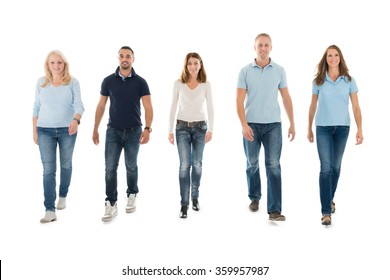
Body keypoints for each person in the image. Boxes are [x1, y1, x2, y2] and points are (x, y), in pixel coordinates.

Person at [236, 33, 295, 221]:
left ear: (271, 47)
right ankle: (254, 197)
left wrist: (292, 122)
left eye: (266, 45)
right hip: (251, 125)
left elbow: (286, 97)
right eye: (260, 45)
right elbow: (239, 100)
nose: (263, 48)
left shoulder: (279, 70)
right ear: (254, 47)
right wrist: (244, 124)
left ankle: (274, 210)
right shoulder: (245, 71)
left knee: (273, 165)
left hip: (273, 126)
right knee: (252, 163)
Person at [93, 46, 153, 222]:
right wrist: (95, 128)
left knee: (131, 165)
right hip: (113, 131)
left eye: (128, 56)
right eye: (121, 56)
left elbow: (148, 107)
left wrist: (148, 128)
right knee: (110, 168)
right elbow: (101, 106)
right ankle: (111, 203)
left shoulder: (141, 82)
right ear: (118, 58)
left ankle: (132, 193)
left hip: (135, 131)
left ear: (133, 59)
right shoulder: (108, 81)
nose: (124, 59)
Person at [308, 45, 363, 226]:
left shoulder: (349, 80)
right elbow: (312, 106)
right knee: (326, 168)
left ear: (340, 58)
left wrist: (359, 129)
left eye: (336, 55)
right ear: (326, 59)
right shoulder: (318, 81)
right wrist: (309, 127)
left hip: (342, 129)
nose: (333, 58)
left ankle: (329, 198)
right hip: (322, 128)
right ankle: (325, 212)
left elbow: (355, 107)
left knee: (336, 167)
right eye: (330, 55)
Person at [33, 50, 85, 223]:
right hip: (44, 130)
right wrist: (34, 130)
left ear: (65, 64)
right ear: (48, 65)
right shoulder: (41, 83)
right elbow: (36, 108)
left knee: (66, 164)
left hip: (67, 130)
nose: (56, 66)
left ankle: (62, 194)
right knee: (48, 170)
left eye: (59, 62)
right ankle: (49, 209)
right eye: (52, 63)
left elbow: (79, 105)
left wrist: (76, 120)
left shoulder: (72, 82)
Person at [168, 52, 214, 219]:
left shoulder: (206, 85)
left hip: (201, 128)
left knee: (197, 164)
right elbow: (173, 106)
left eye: (196, 63)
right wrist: (170, 130)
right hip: (182, 128)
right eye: (190, 64)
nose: (193, 66)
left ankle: (195, 197)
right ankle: (184, 204)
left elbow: (211, 107)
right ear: (185, 66)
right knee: (184, 165)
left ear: (200, 65)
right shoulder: (178, 84)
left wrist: (211, 129)